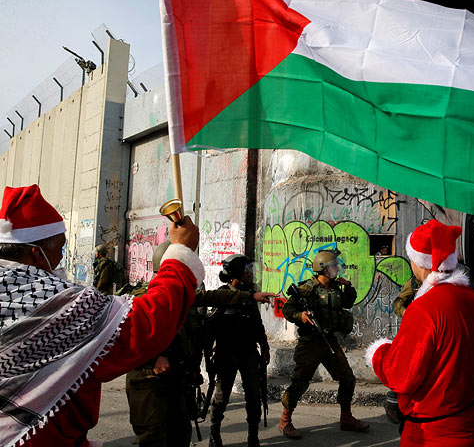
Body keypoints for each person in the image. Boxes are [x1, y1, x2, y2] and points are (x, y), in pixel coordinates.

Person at [0, 184, 204, 447]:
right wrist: (180, 255)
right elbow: (142, 327)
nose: (61, 257)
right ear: (37, 254)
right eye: (59, 249)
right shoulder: (51, 305)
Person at [126, 245, 275, 447]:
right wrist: (155, 357)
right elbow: (129, 335)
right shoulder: (143, 296)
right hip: (149, 379)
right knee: (152, 436)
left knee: (181, 432)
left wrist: (250, 297)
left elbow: (210, 302)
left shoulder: (183, 294)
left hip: (179, 375)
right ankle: (214, 433)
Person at [367, 220, 474, 446]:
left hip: (432, 433)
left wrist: (378, 352)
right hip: (470, 423)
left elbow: (401, 376)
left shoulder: (424, 309)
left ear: (420, 263)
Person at [278, 249, 369, 439]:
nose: (337, 269)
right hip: (310, 342)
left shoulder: (336, 288)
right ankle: (285, 420)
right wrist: (300, 316)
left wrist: (348, 286)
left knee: (347, 378)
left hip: (330, 340)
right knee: (300, 382)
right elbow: (288, 308)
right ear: (323, 269)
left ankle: (346, 417)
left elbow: (348, 302)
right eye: (333, 266)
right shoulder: (307, 289)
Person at [208, 254, 270, 447]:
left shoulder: (251, 293)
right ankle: (214, 432)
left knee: (254, 395)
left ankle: (253, 435)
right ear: (236, 272)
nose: (249, 273)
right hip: (227, 354)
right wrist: (208, 355)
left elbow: (257, 323)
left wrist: (264, 346)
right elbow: (211, 327)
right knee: (221, 396)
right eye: (245, 269)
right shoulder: (223, 294)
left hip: (249, 353)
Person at [383, 275, 421, 423]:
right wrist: (407, 313)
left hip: (434, 331)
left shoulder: (444, 280)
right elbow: (398, 302)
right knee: (406, 369)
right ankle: (392, 404)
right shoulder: (414, 282)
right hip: (415, 331)